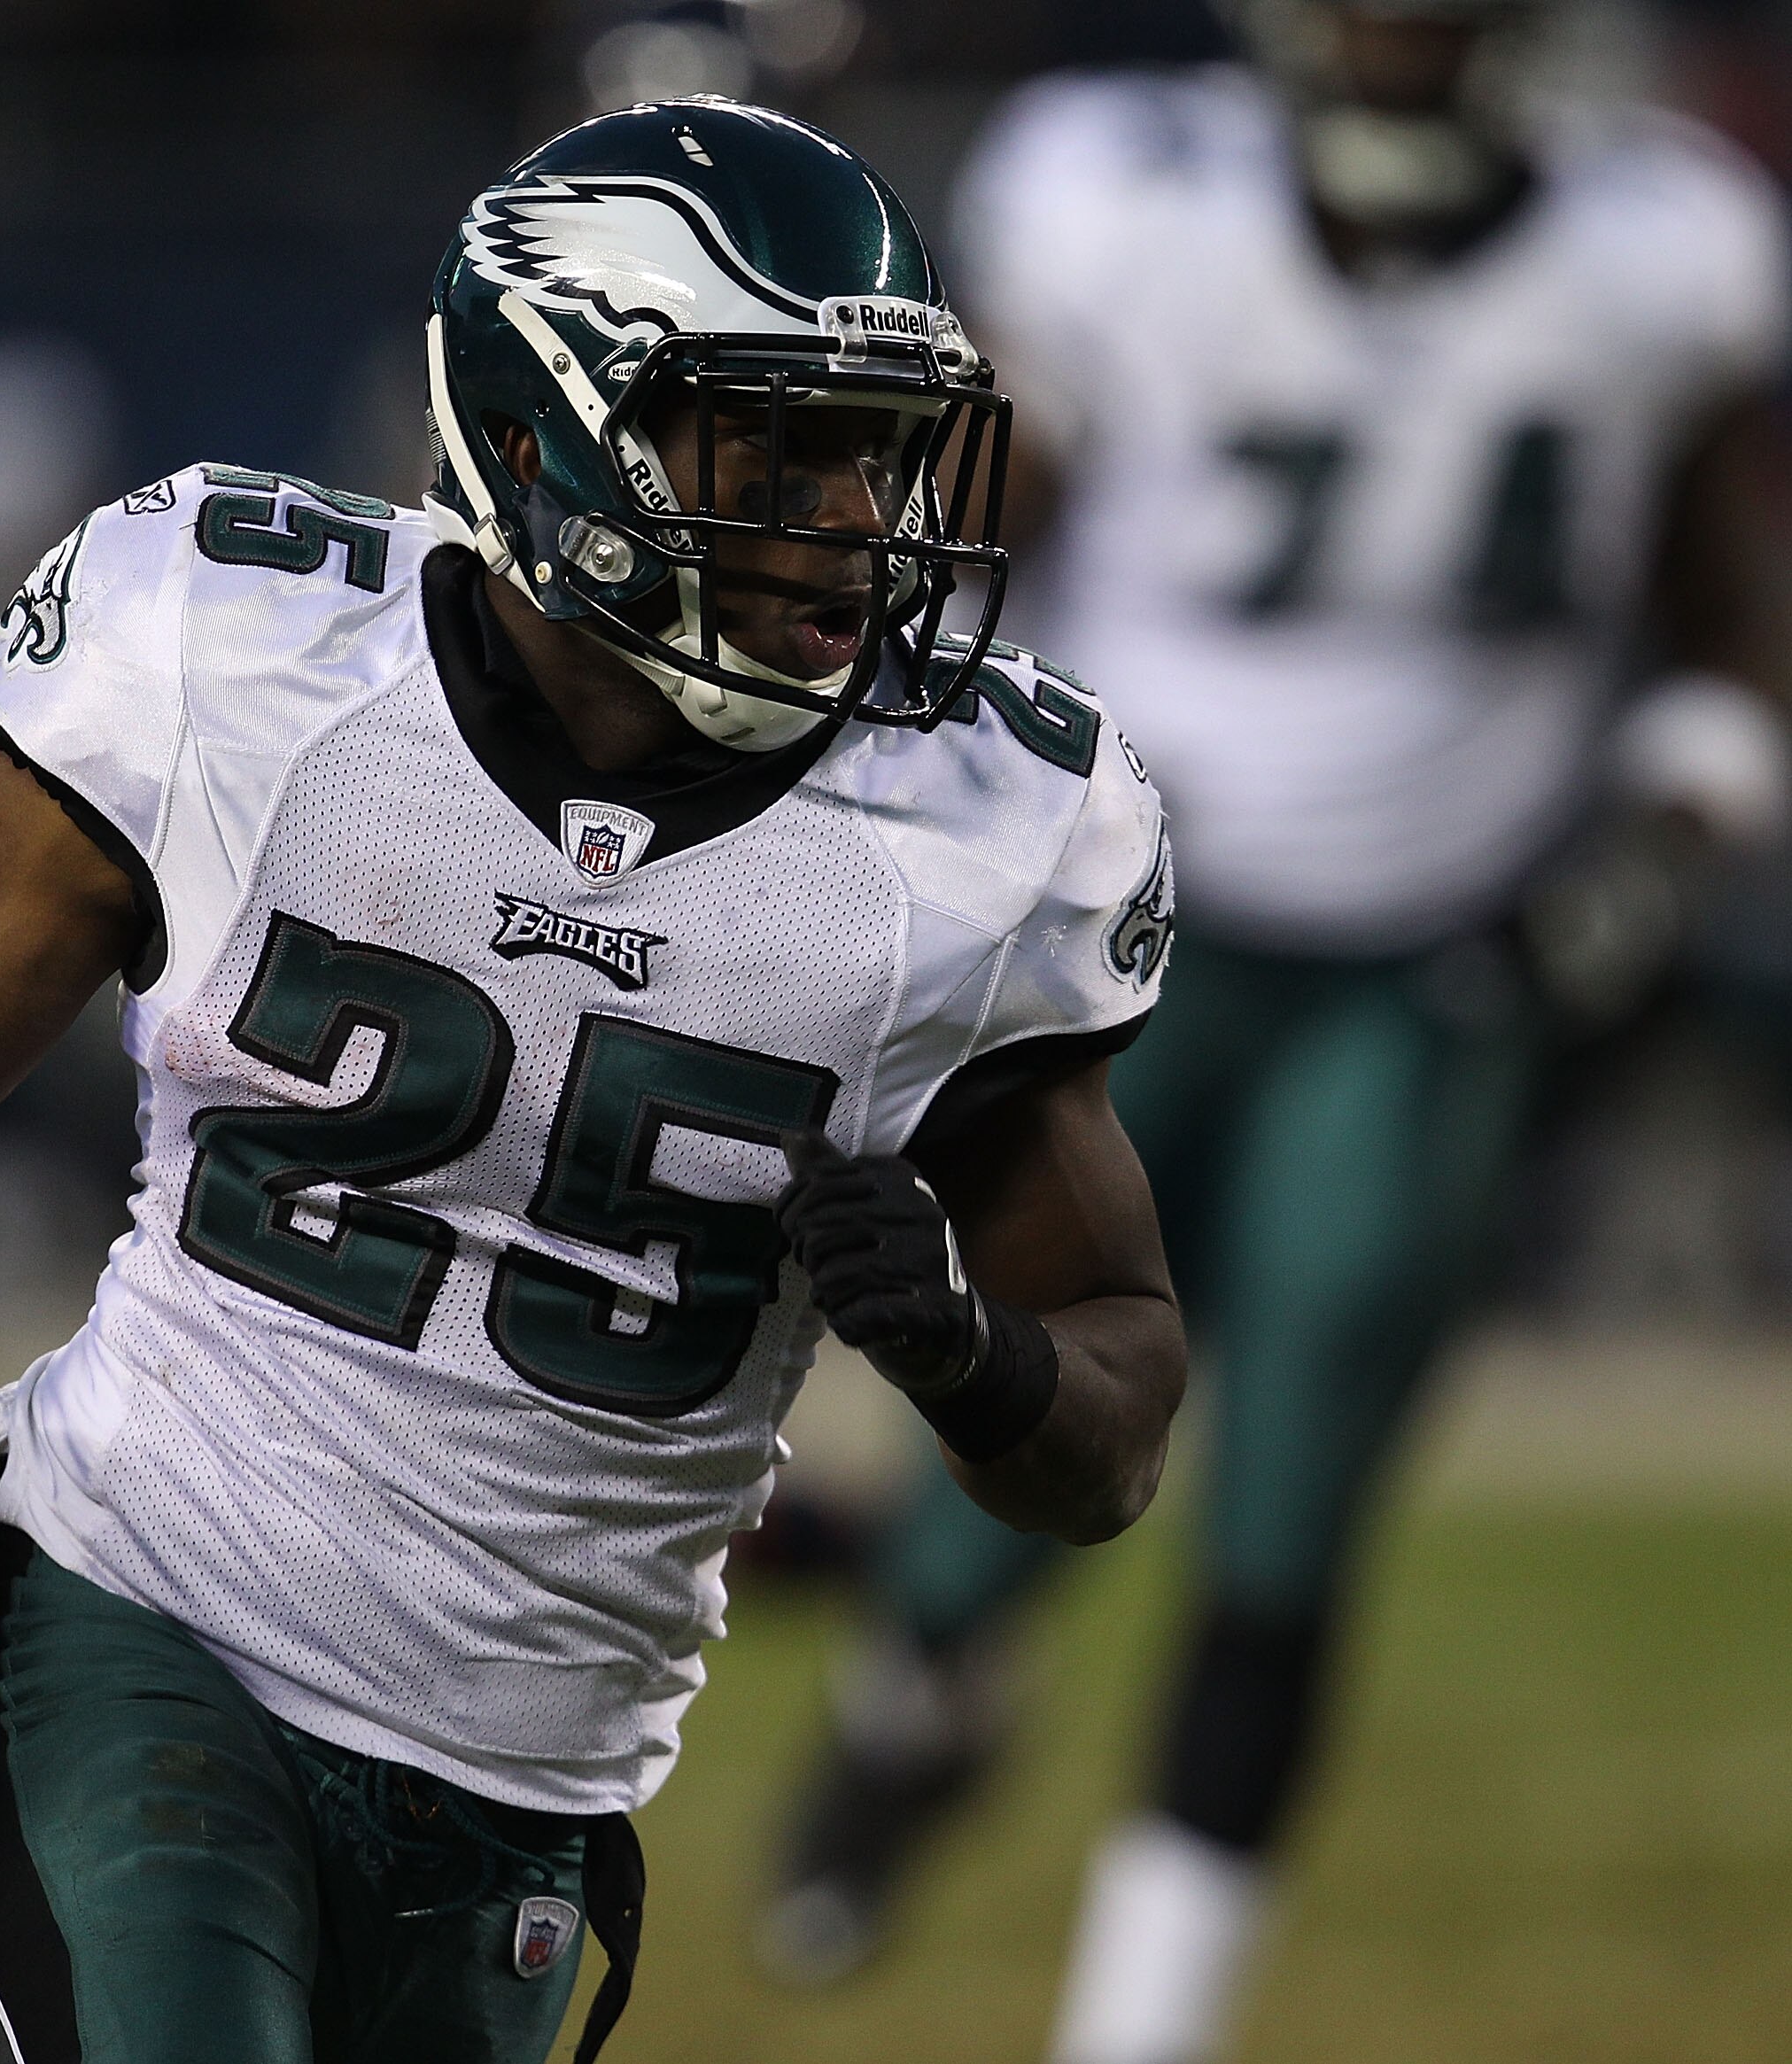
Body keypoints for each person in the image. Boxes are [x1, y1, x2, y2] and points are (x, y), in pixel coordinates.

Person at [0, 98, 1188, 2064]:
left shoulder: (982, 834)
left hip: (532, 1792)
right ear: (548, 433)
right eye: (782, 447)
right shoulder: (237, 656)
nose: (858, 523)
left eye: (881, 453)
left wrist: (977, 1359)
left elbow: (1119, 1405)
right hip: (132, 1622)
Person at [759, 8, 1792, 2060]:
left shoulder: (1661, 250)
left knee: (1290, 1504)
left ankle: (1140, 2030)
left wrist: (1677, 811)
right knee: (1020, 1420)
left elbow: (1715, 604)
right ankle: (922, 1700)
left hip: (1440, 955)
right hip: (1127, 926)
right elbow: (977, 531)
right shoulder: (1127, 202)